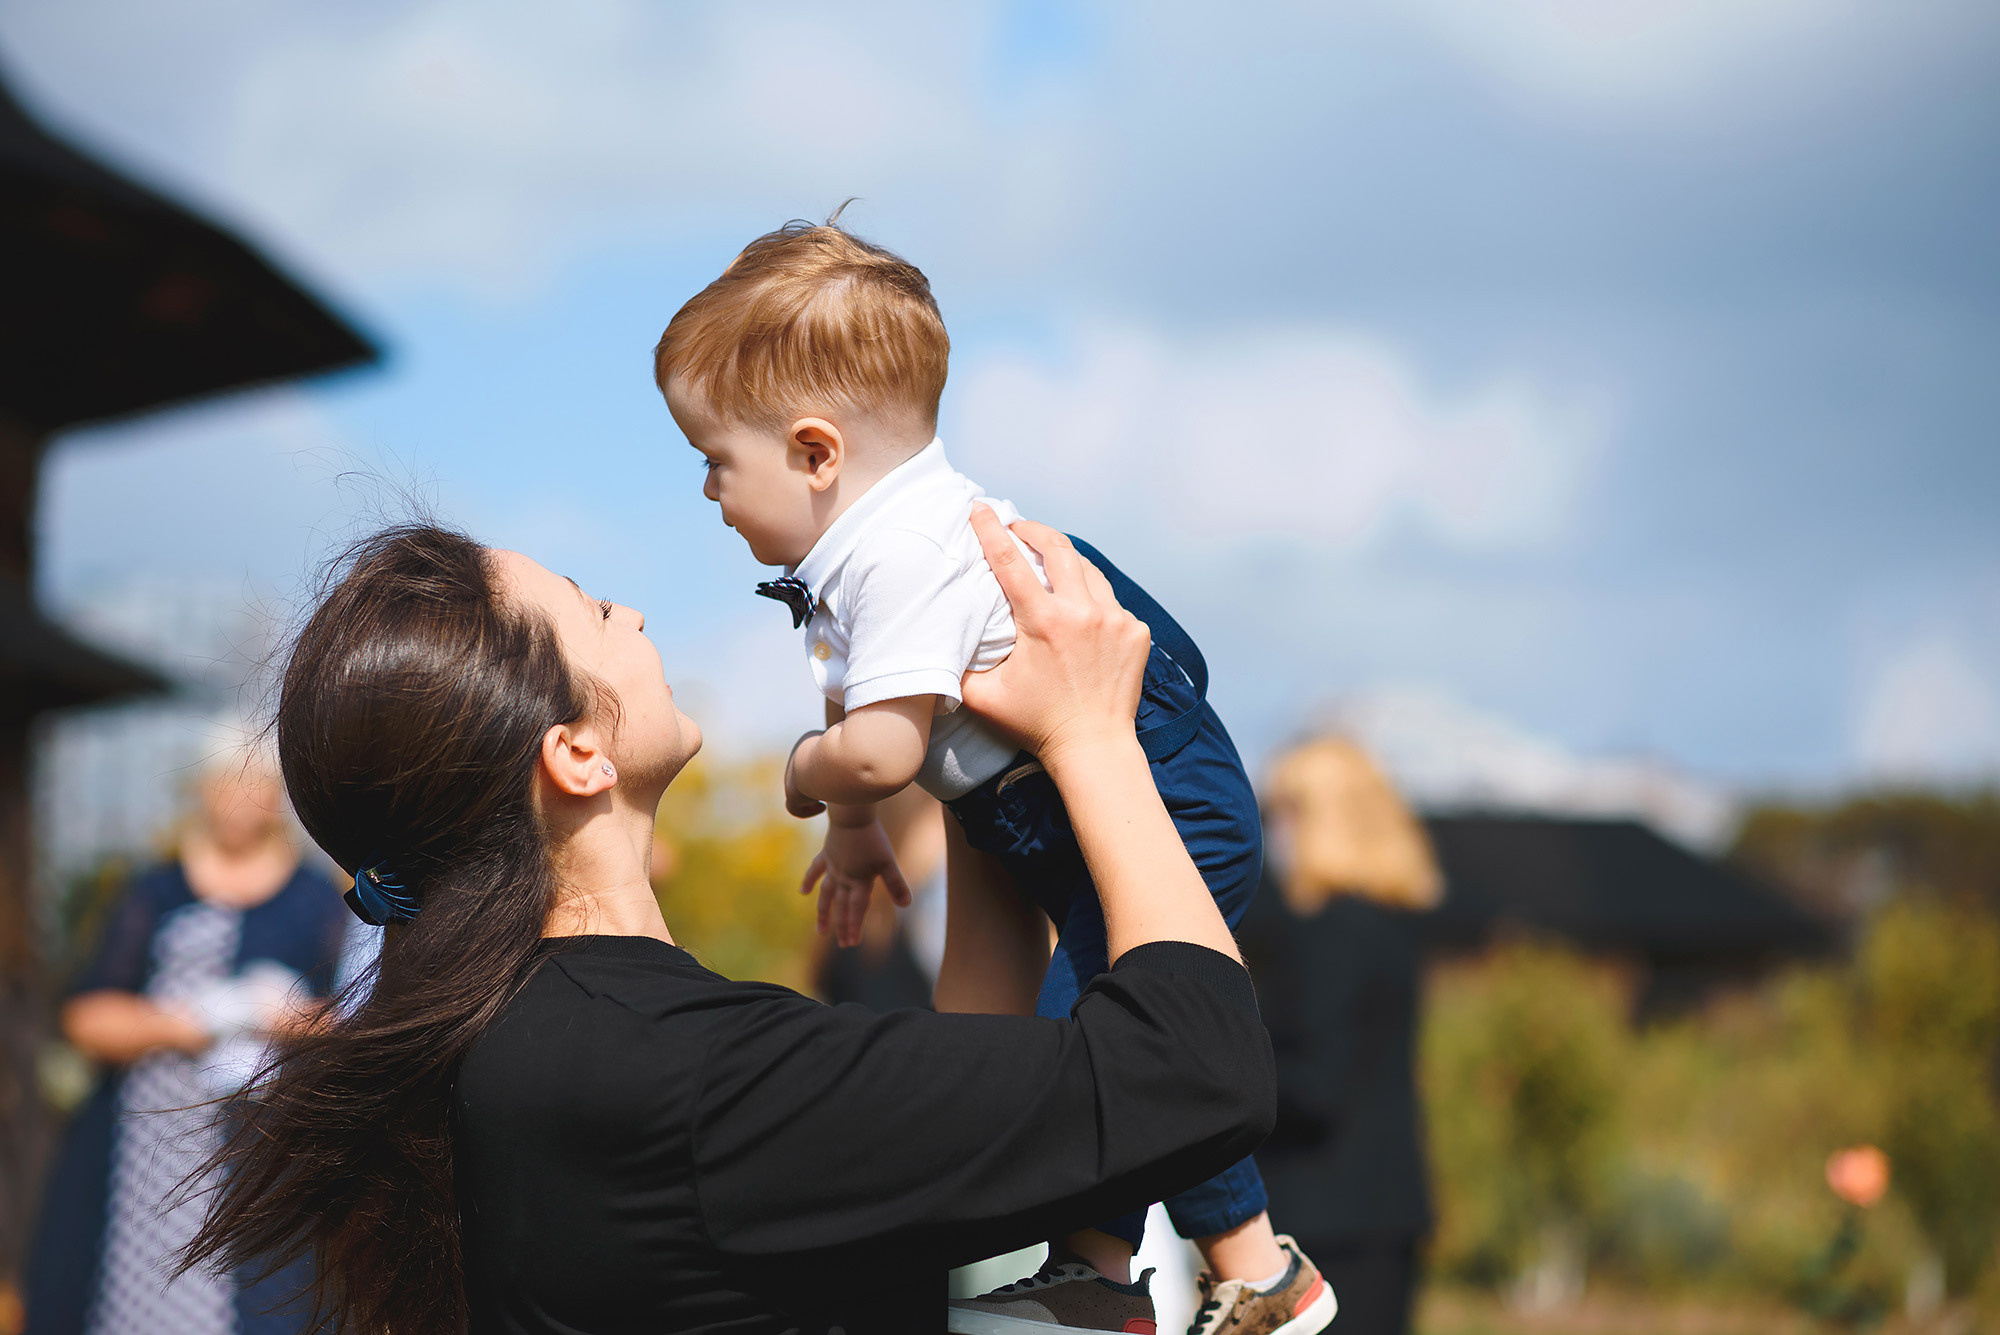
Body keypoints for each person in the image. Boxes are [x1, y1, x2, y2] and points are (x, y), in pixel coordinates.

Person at [185, 514, 1278, 1335]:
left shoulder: (535, 1046)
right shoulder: (678, 1077)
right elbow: (1195, 1074)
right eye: (596, 612)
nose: (639, 616)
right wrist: (1092, 737)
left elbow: (987, 1081)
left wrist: (976, 773)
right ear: (575, 755)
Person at [656, 216, 1332, 1335]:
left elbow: (877, 742)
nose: (708, 494)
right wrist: (860, 834)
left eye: (714, 462)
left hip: (1155, 796)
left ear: (816, 453)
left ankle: (1100, 1274)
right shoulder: (856, 557)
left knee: (1109, 1040)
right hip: (1041, 805)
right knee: (1047, 1033)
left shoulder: (912, 546)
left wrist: (810, 774)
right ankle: (1254, 1271)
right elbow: (860, 685)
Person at [26, 756, 347, 1335]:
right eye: (228, 784)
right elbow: (87, 1016)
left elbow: (351, 1018)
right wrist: (192, 1020)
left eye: (256, 786)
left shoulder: (316, 897)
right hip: (142, 1149)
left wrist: (276, 1016)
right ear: (202, 791)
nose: (240, 800)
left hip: (261, 1157)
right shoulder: (153, 889)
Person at [1236, 739, 1441, 1335]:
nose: (1276, 834)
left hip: (1325, 1217)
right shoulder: (1389, 926)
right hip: (1382, 1211)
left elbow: (1314, 1084)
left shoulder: (1331, 933)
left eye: (1285, 814)